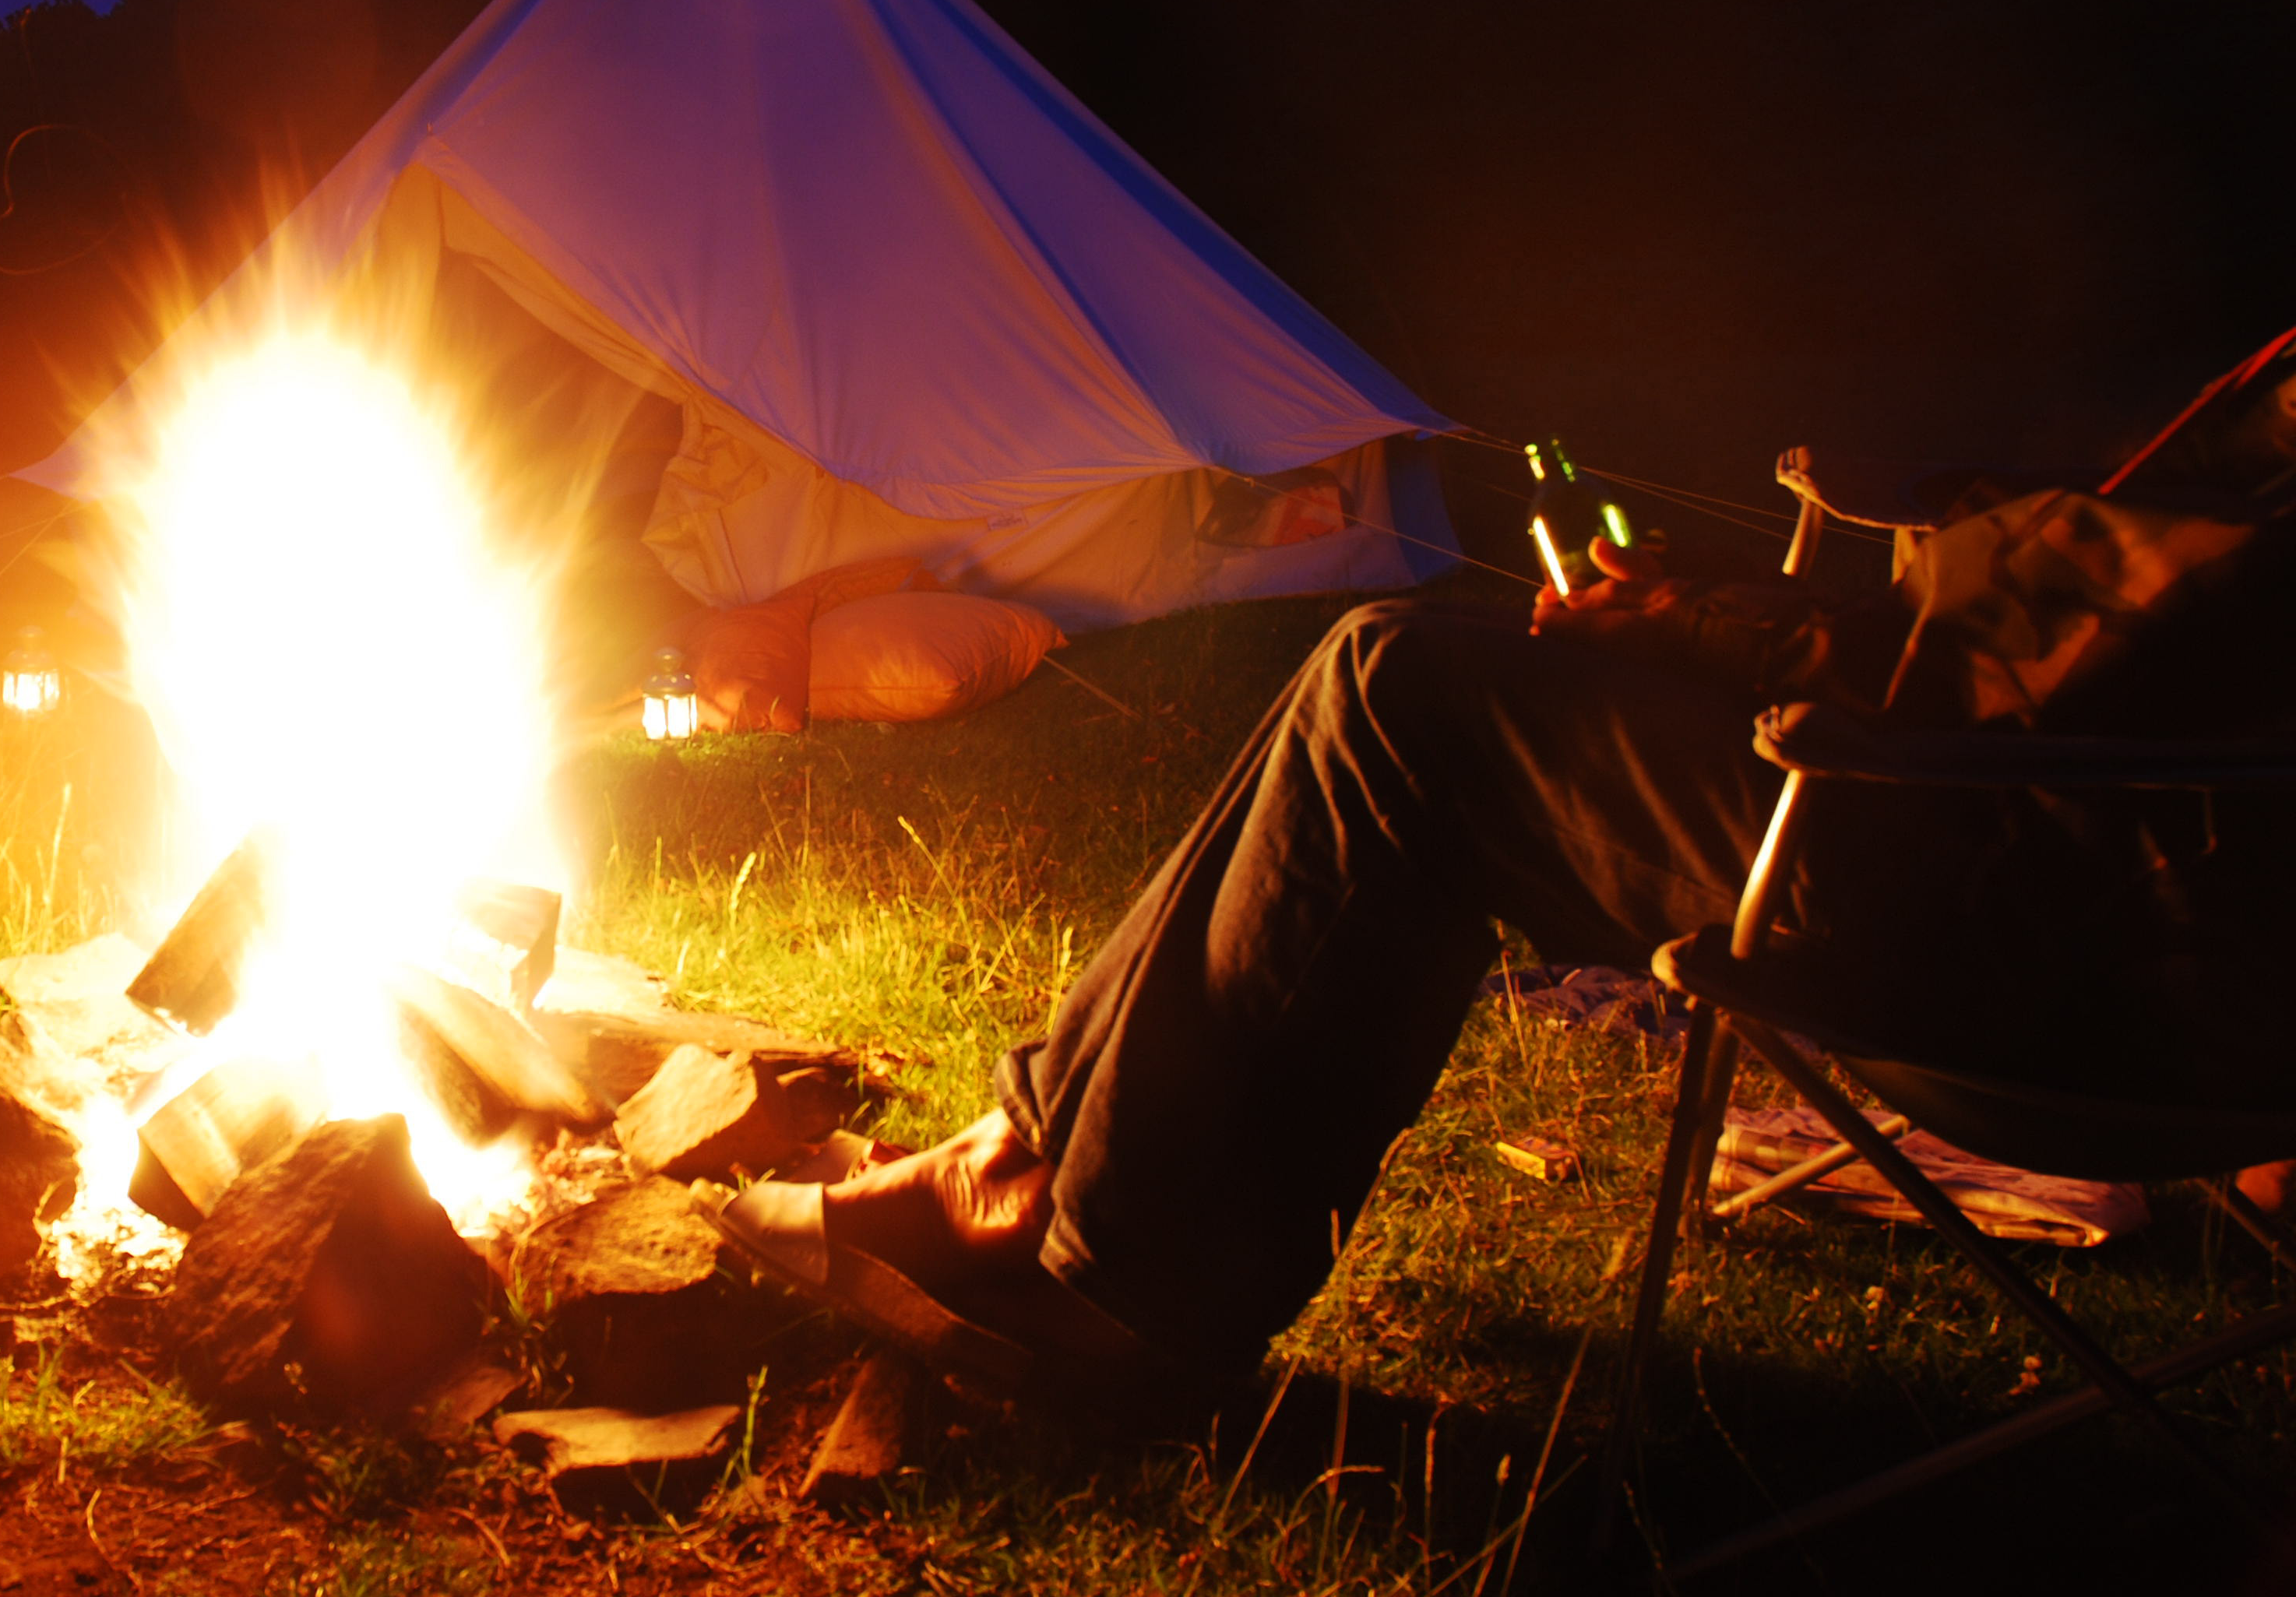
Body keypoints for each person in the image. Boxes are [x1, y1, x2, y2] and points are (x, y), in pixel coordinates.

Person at [717, 332, 2296, 1401]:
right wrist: (1732, 625)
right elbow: (2096, 641)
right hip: (2062, 870)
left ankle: (1110, 1276)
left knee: (1399, 693)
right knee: (1396, 691)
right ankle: (1029, 1163)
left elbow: (2117, 670)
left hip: (2059, 928)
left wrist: (1786, 630)